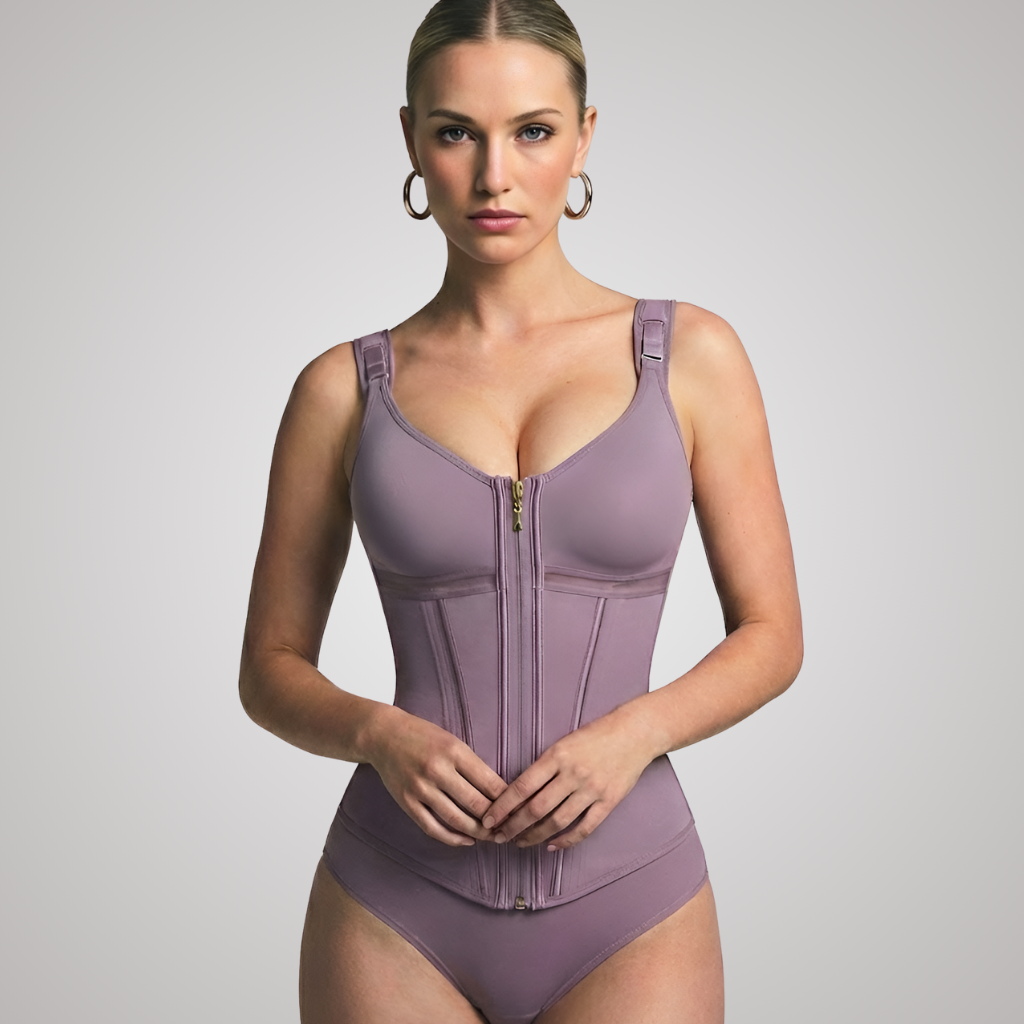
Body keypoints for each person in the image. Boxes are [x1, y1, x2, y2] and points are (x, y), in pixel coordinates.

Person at [239, 1, 802, 1021]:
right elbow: (269, 668)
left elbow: (772, 636)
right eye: (456, 132)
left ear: (584, 138)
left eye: (532, 131)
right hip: (393, 901)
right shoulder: (343, 389)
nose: (494, 175)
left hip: (634, 900)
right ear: (411, 140)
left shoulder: (690, 358)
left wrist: (633, 734)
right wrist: (378, 732)